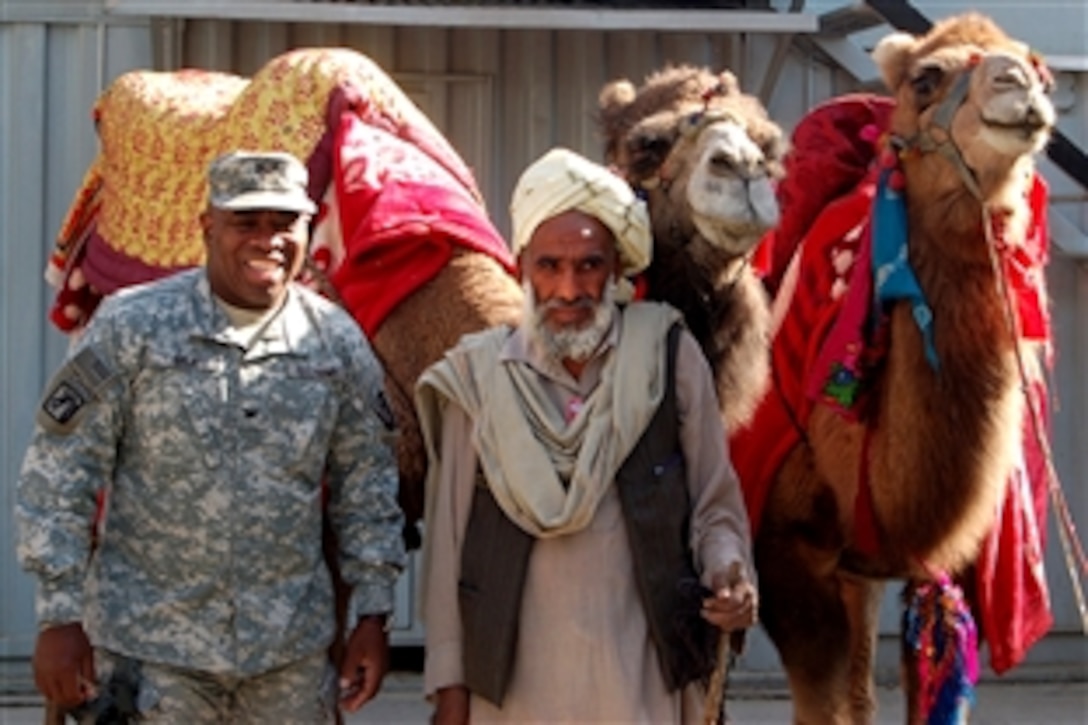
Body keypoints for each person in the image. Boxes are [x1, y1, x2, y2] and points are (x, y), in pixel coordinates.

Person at [16, 150, 406, 722]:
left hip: (287, 660)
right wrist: (58, 617)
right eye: (246, 222)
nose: (267, 239)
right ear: (208, 227)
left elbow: (368, 487)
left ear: (307, 227)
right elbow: (60, 475)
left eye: (284, 223)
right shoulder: (133, 327)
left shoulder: (335, 342)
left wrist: (373, 614)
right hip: (152, 658)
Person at [415, 147, 758, 724]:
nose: (569, 289)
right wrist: (450, 690)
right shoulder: (480, 376)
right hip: (512, 689)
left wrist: (730, 571)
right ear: (523, 265)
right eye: (550, 266)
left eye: (589, 265)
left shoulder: (667, 357)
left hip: (642, 677)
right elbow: (450, 545)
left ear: (618, 268)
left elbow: (713, 504)